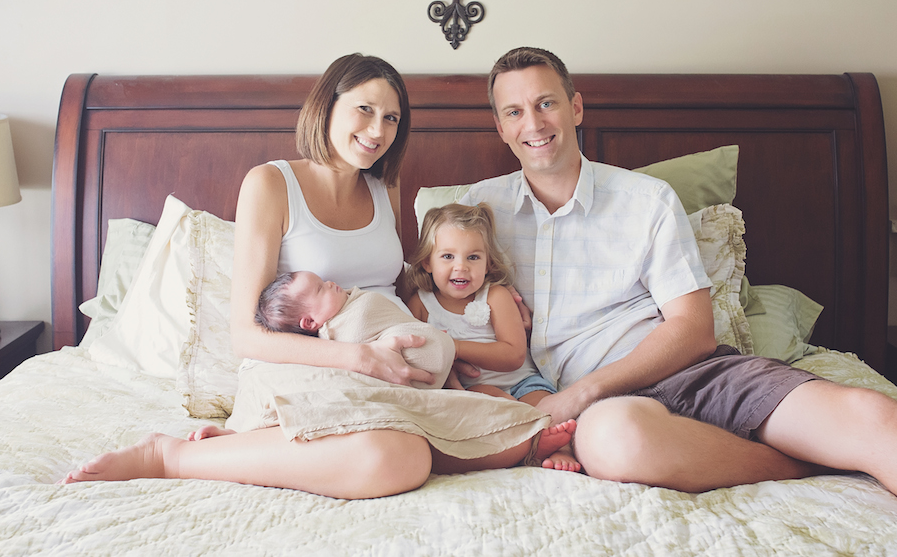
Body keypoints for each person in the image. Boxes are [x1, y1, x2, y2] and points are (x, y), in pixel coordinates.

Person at [459, 45, 897, 528]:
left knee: (863, 413)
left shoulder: (646, 200)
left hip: (686, 371)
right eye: (514, 111)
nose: (534, 123)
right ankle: (796, 464)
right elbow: (425, 302)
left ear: (575, 107)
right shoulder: (475, 214)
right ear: (501, 127)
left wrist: (579, 393)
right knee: (615, 443)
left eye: (546, 103)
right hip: (602, 416)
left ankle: (840, 446)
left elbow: (694, 329)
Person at [60, 53, 571, 498]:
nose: (378, 131)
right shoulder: (270, 184)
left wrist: (447, 344)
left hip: (385, 363)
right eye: (365, 110)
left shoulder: (382, 188)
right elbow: (245, 334)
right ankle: (170, 457)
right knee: (397, 458)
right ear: (327, 106)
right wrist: (356, 357)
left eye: (391, 118)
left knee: (517, 436)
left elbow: (393, 294)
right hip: (308, 364)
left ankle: (270, 448)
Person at [405, 202, 580, 472]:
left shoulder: (495, 295)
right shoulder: (420, 304)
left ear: (488, 264)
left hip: (523, 382)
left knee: (548, 411)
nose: (461, 267)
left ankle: (559, 447)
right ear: (427, 261)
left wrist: (455, 347)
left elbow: (513, 355)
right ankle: (529, 444)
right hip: (473, 390)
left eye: (473, 257)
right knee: (487, 399)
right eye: (447, 256)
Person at [252, 270, 455, 389]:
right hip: (416, 367)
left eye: (323, 282)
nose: (330, 283)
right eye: (320, 289)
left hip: (434, 354)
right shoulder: (336, 334)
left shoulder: (347, 304)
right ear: (310, 322)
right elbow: (361, 326)